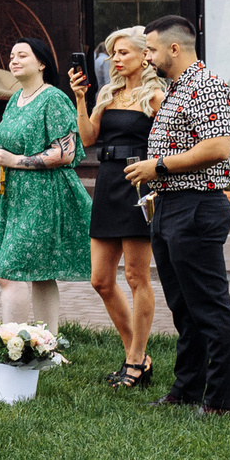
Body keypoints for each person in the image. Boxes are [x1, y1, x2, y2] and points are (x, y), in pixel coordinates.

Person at [126, 15, 230, 415]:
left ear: (175, 48)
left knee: (209, 307)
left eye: (152, 50)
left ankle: (220, 401)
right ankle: (187, 388)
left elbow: (219, 147)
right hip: (171, 205)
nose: (148, 58)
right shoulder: (177, 89)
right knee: (184, 307)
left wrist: (157, 167)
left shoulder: (206, 85)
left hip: (197, 204)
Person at [69, 27, 167, 388]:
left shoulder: (155, 97)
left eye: (124, 52)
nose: (116, 59)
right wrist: (80, 98)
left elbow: (172, 143)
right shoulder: (108, 94)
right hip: (108, 183)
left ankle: (135, 360)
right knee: (101, 280)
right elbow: (87, 138)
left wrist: (158, 178)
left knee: (137, 277)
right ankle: (136, 355)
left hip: (138, 186)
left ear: (145, 56)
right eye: (113, 54)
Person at [0, 36, 89, 331]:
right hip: (13, 196)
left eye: (22, 55)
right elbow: (8, 142)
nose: (13, 59)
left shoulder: (53, 98)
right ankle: (47, 344)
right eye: (12, 55)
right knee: (40, 271)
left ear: (41, 63)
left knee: (9, 270)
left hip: (42, 197)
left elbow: (66, 152)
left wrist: (14, 160)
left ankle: (12, 345)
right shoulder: (16, 99)